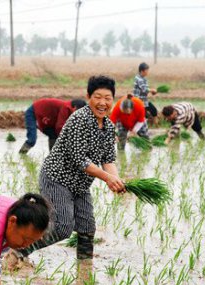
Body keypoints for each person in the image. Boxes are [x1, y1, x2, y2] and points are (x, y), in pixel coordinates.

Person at [10, 75, 125, 262]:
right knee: (62, 227)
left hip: (80, 184)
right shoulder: (78, 119)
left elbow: (108, 159)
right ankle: (17, 252)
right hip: (57, 179)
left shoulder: (109, 127)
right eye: (98, 97)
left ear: (113, 100)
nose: (102, 102)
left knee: (87, 227)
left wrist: (116, 180)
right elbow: (80, 159)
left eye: (107, 98)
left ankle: (85, 267)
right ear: (88, 96)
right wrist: (107, 178)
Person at [19, 98, 87, 154]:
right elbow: (59, 127)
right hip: (32, 113)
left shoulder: (70, 110)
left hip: (46, 117)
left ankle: (52, 156)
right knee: (32, 140)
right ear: (75, 108)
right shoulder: (66, 108)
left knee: (53, 134)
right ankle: (21, 154)